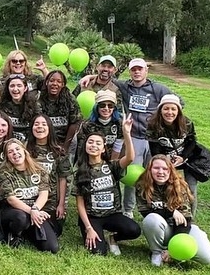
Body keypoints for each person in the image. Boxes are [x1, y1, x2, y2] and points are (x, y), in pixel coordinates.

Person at [80, 58, 178, 218]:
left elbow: (177, 102)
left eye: (140, 69)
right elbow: (106, 77)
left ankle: (166, 206)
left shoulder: (158, 88)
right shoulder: (125, 86)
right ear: (130, 72)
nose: (137, 72)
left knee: (160, 172)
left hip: (155, 139)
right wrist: (90, 76)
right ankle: (128, 210)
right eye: (134, 70)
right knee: (133, 174)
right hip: (134, 137)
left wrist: (165, 117)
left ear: (146, 70)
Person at [74, 114, 141, 256]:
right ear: (85, 146)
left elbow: (130, 158)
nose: (93, 145)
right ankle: (95, 233)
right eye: (90, 142)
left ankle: (113, 238)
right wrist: (88, 228)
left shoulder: (112, 166)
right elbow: (79, 204)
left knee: (134, 230)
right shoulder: (80, 171)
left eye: (98, 143)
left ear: (103, 149)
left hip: (112, 214)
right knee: (98, 252)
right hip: (92, 217)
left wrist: (127, 134)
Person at [136, 155, 210, 266]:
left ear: (170, 170)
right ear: (149, 169)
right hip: (162, 228)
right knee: (151, 219)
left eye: (165, 169)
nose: (160, 172)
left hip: (183, 228)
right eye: (156, 168)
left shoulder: (180, 185)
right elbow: (145, 211)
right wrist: (171, 212)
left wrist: (173, 249)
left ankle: (192, 240)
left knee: (207, 258)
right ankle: (157, 252)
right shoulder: (142, 185)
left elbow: (186, 219)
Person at [0, 138, 59, 253]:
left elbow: (44, 194)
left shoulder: (39, 170)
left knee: (52, 248)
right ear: (7, 157)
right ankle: (14, 234)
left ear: (24, 151)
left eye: (17, 149)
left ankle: (27, 233)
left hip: (35, 209)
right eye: (10, 152)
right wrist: (32, 211)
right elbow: (11, 199)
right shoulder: (4, 172)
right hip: (13, 211)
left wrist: (35, 209)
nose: (15, 153)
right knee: (21, 218)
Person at [146, 94, 199, 215]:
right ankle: (166, 212)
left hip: (186, 158)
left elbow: (192, 141)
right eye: (166, 108)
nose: (169, 112)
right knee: (166, 185)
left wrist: (183, 157)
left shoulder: (187, 122)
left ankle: (191, 217)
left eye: (173, 109)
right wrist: (167, 161)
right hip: (165, 158)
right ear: (160, 110)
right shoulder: (153, 125)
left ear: (178, 111)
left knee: (190, 188)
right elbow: (154, 149)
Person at [26, 115, 72, 236]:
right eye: (36, 124)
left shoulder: (59, 152)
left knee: (56, 231)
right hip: (28, 199)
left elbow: (63, 179)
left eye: (43, 124)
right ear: (31, 128)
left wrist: (61, 204)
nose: (40, 127)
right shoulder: (24, 150)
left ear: (50, 128)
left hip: (50, 201)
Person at [75, 90, 124, 162]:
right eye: (102, 105)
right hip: (90, 160)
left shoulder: (119, 124)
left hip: (111, 160)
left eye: (110, 106)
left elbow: (117, 147)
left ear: (114, 108)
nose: (106, 108)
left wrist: (112, 165)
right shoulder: (87, 124)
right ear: (97, 107)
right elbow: (82, 149)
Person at [38, 70, 81, 150]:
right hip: (44, 140)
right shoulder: (39, 99)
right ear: (46, 82)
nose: (55, 83)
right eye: (51, 81)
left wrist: (65, 146)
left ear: (63, 84)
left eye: (59, 81)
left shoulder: (70, 99)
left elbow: (75, 123)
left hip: (65, 140)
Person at [0, 74, 42, 142]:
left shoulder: (34, 106)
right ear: (8, 88)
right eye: (12, 86)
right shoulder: (1, 105)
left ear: (25, 88)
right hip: (7, 143)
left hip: (28, 143)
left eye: (19, 86)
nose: (15, 89)